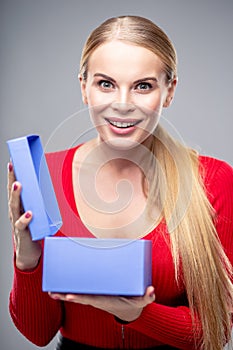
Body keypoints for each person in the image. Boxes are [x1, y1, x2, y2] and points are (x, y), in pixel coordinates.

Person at [7, 15, 233, 350]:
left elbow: (214, 332)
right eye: (106, 84)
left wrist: (137, 314)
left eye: (143, 86)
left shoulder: (214, 181)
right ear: (84, 87)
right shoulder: (44, 176)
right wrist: (27, 259)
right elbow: (38, 334)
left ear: (168, 91)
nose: (123, 104)